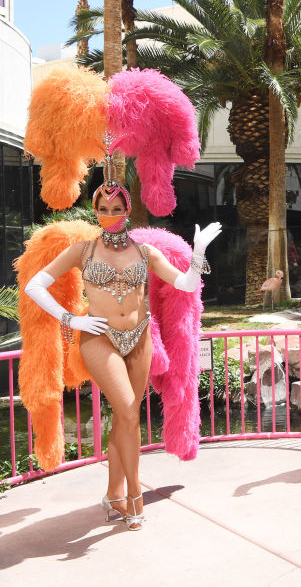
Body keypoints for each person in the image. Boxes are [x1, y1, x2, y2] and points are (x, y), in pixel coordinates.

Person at [23, 180, 221, 530]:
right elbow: (34, 285)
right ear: (96, 211)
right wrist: (70, 317)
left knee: (125, 415)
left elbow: (187, 284)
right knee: (129, 412)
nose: (110, 215)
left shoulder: (145, 253)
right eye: (103, 209)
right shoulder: (82, 251)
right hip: (99, 339)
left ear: (127, 211)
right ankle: (133, 497)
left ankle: (112, 494)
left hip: (140, 337)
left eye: (117, 209)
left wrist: (199, 252)